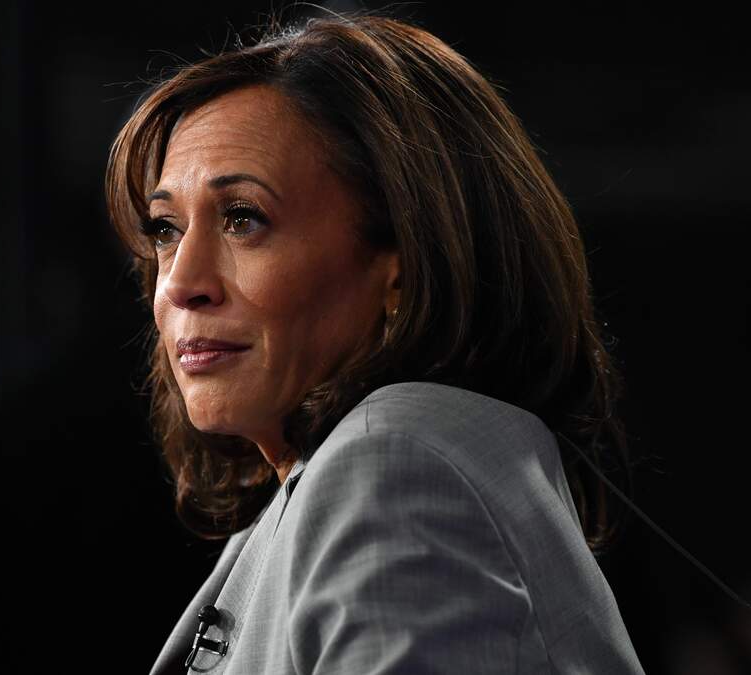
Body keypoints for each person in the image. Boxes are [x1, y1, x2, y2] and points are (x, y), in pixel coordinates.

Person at [105, 10, 645, 674]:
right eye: (165, 229)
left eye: (244, 219)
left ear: (404, 263)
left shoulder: (394, 467)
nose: (180, 283)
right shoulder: (369, 469)